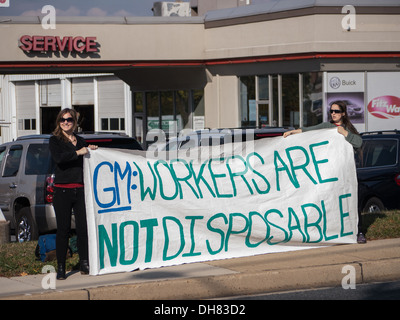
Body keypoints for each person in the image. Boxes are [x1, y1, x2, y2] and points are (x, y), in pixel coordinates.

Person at [283, 100, 366, 244]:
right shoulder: (327, 127)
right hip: (331, 175)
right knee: (332, 203)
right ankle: (335, 232)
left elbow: (358, 143)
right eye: (331, 111)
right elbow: (310, 130)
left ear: (343, 113)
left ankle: (358, 231)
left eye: (336, 111)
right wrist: (293, 132)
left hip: (345, 174)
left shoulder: (348, 128)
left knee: (351, 203)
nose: (333, 114)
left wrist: (345, 133)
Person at [49, 108, 98, 280]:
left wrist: (91, 150)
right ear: (58, 122)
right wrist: (79, 152)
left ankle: (84, 262)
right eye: (62, 120)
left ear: (74, 122)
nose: (66, 122)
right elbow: (60, 159)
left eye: (69, 119)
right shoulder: (55, 141)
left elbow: (87, 160)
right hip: (62, 190)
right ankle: (61, 267)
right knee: (63, 229)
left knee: (83, 228)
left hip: (80, 190)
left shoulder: (82, 141)